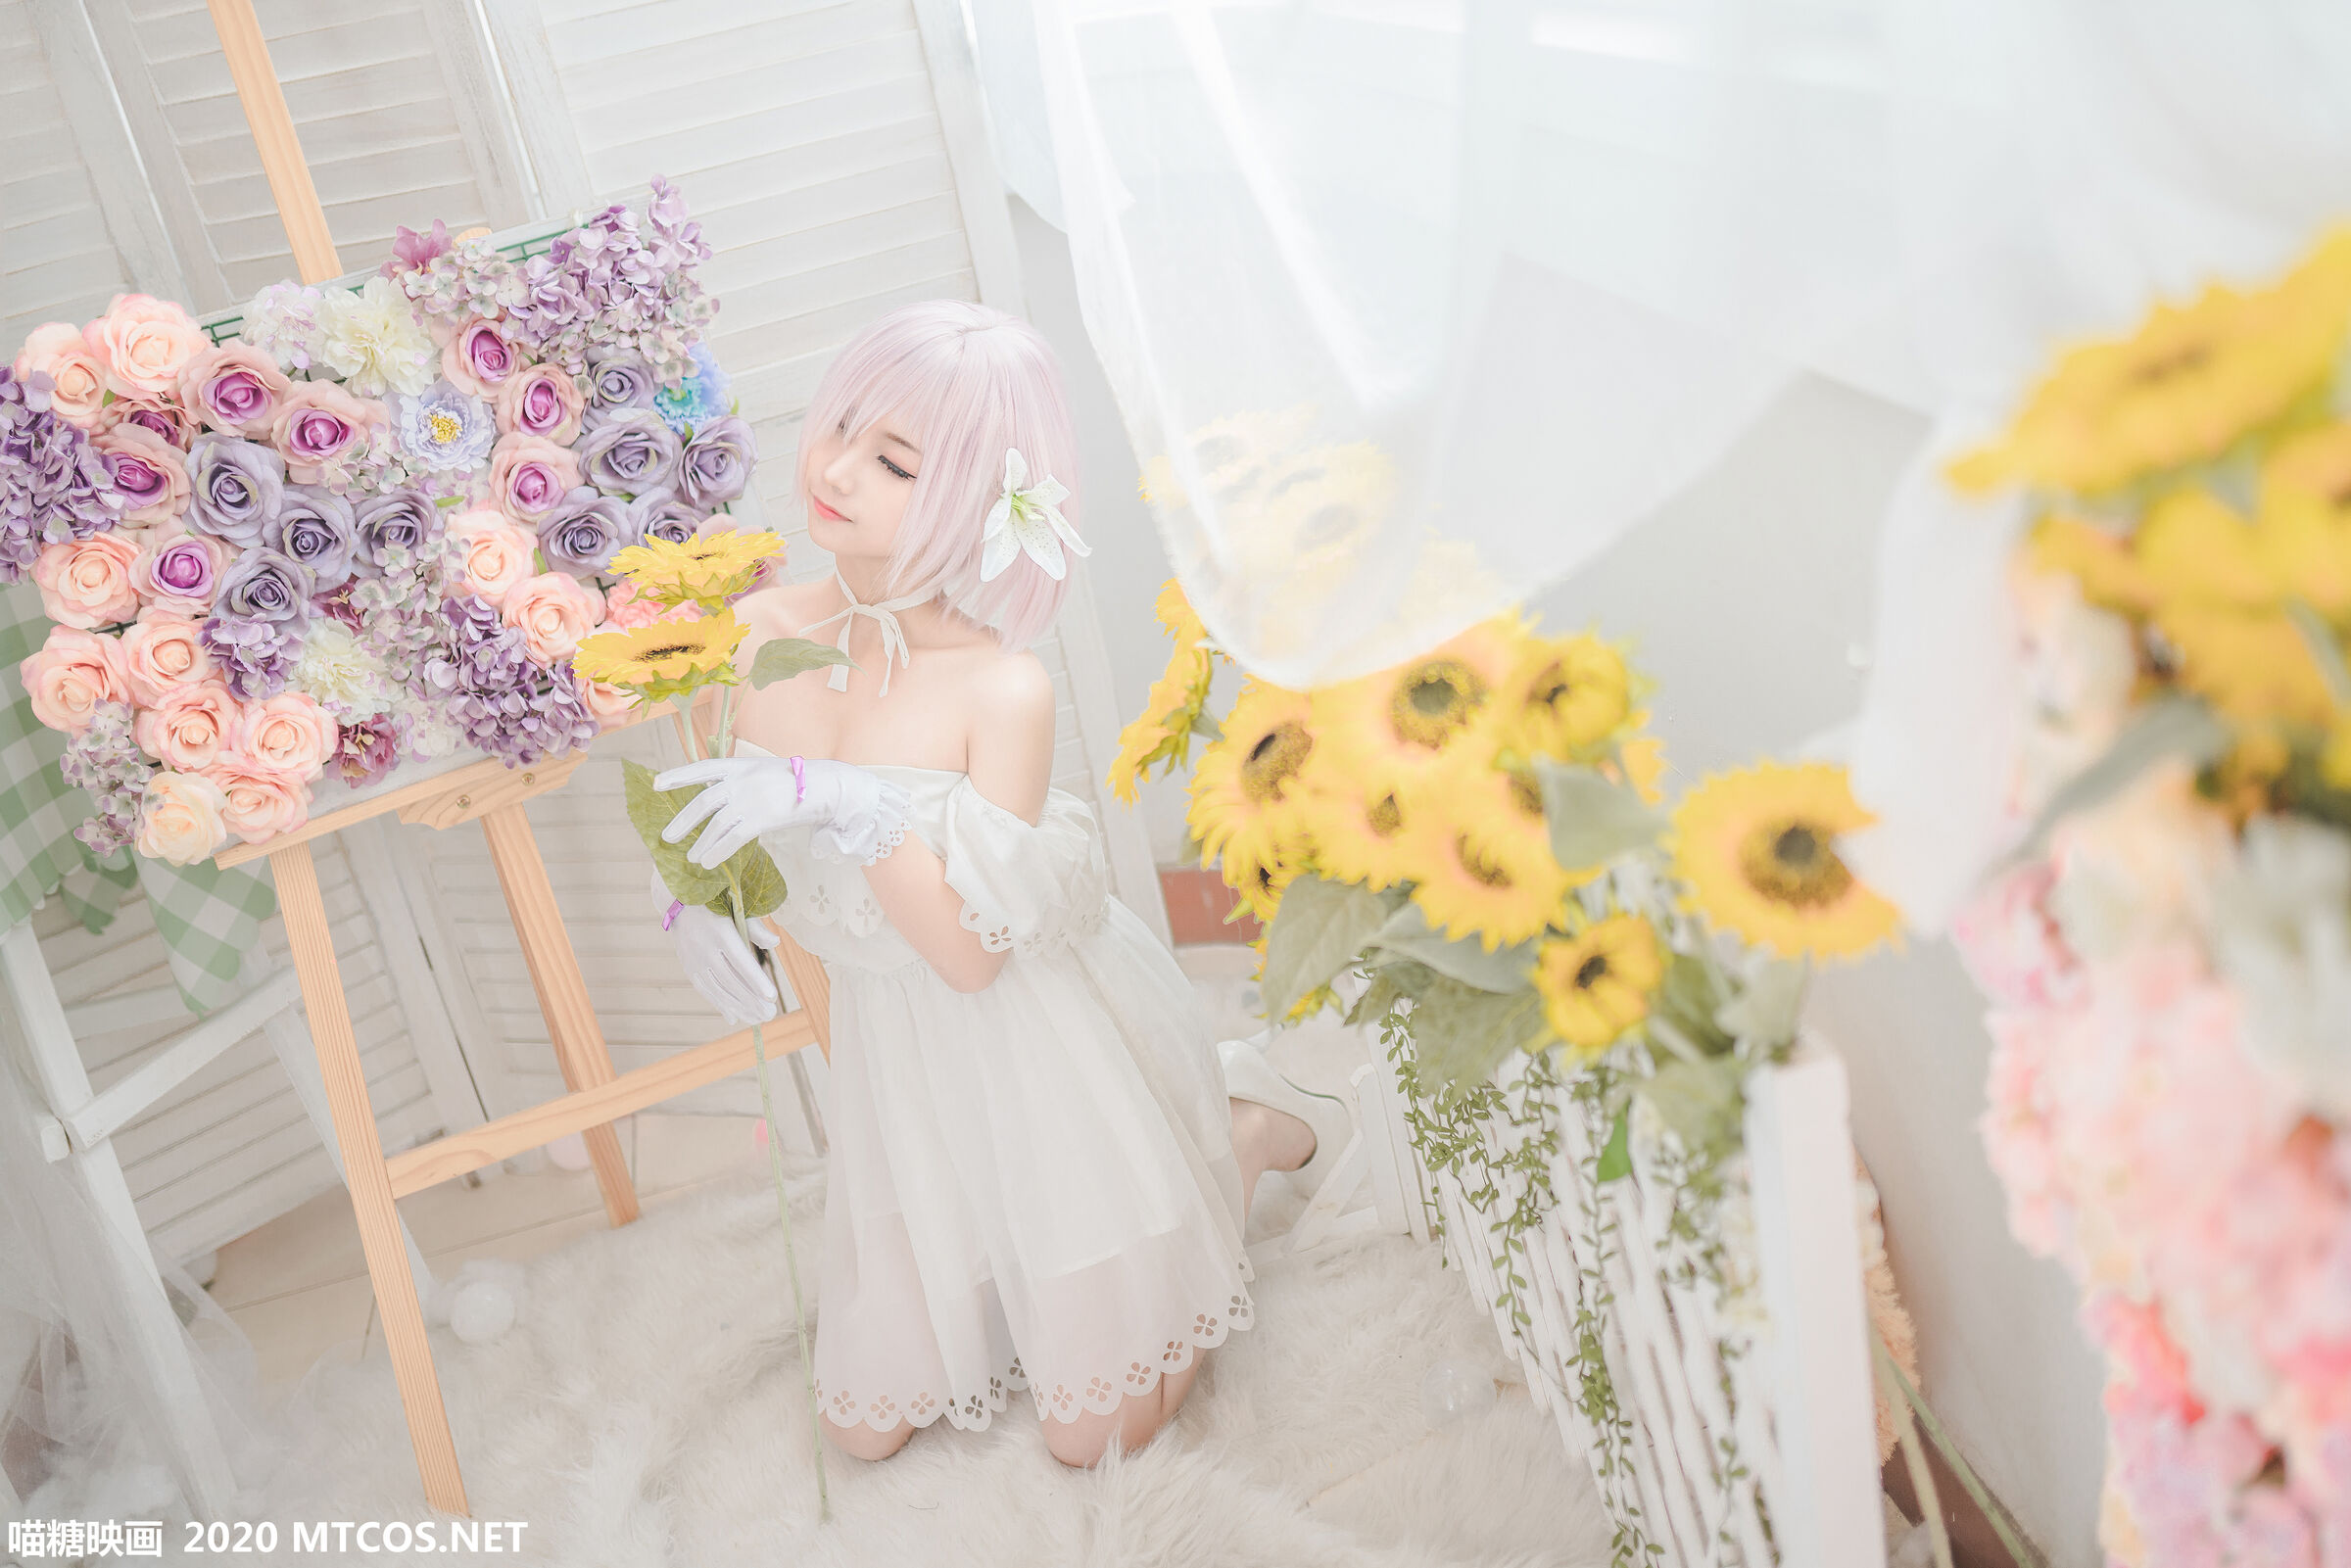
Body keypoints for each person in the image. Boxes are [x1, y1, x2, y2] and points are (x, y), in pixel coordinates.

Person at [650, 299, 1351, 1469]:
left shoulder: (1000, 688)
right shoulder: (748, 633)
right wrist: (690, 903)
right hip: (895, 1061)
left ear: (981, 498)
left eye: (895, 461)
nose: (836, 469)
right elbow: (712, 817)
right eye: (842, 427)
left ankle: (1240, 1133)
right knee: (861, 1428)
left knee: (1092, 1433)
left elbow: (970, 959)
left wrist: (858, 802)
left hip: (1036, 1051)